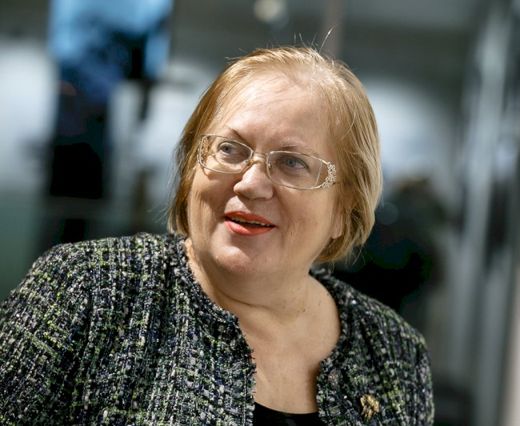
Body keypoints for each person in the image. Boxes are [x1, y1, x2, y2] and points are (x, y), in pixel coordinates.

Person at [0, 46, 434, 425]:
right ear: (192, 166)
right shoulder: (88, 290)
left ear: (344, 208)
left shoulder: (394, 352)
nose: (250, 183)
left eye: (292, 163)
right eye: (230, 149)